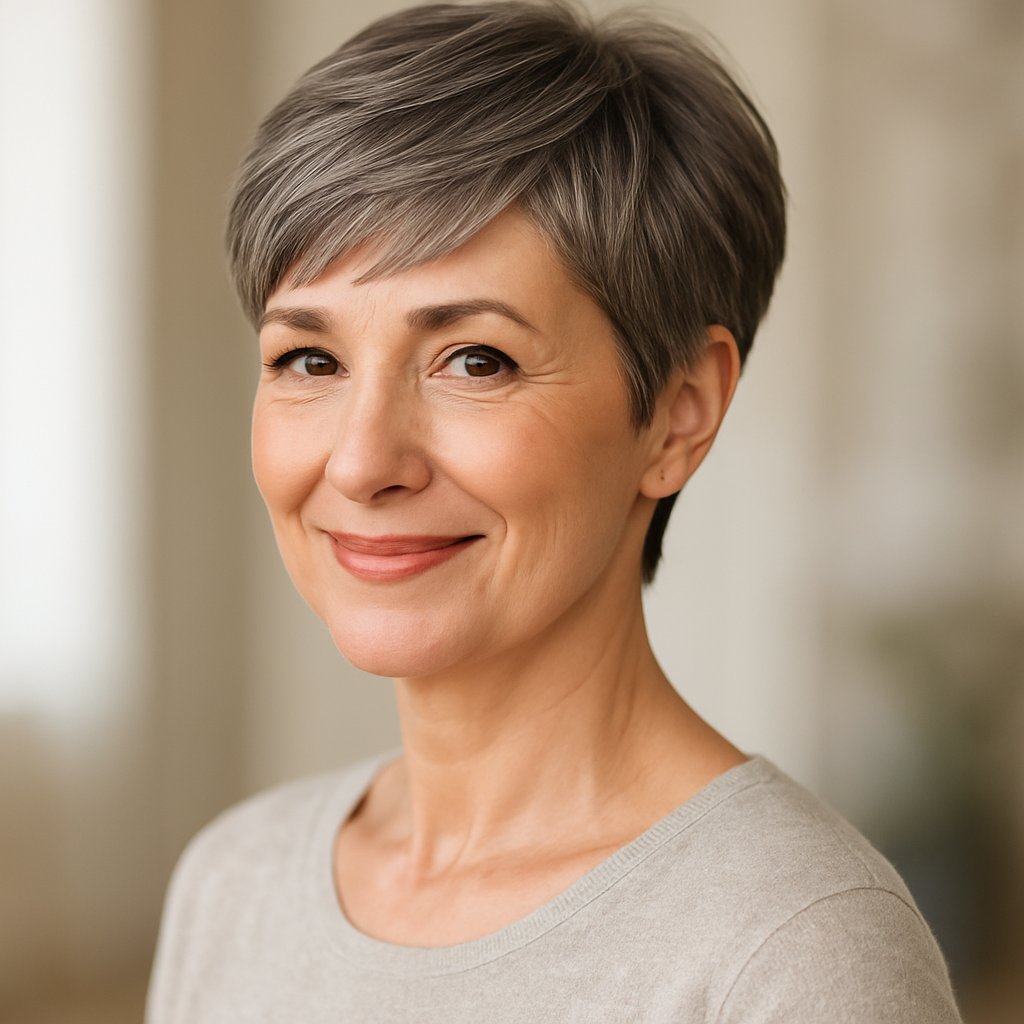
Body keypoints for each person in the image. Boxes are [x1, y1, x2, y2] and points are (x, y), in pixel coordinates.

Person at [147, 2, 962, 1021]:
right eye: (309, 358)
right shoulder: (233, 881)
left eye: (474, 360)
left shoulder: (795, 948)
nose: (361, 461)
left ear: (677, 411)